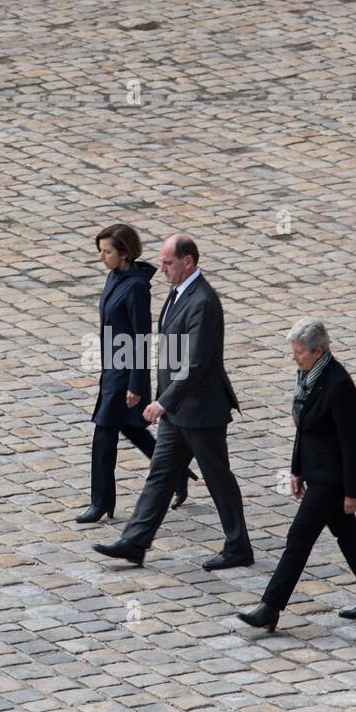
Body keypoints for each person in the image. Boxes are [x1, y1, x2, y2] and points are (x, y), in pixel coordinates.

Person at [93, 234, 254, 570]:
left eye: (167, 263)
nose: (161, 269)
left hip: (201, 411)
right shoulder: (178, 293)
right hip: (177, 411)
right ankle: (135, 542)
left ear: (188, 262)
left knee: (218, 478)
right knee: (160, 476)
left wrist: (162, 403)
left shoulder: (203, 302)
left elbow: (194, 364)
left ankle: (238, 546)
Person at [238, 319, 356, 632]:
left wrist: (352, 492)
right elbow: (304, 429)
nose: (294, 357)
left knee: (298, 539)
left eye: (299, 352)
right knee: (347, 534)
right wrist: (296, 469)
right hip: (315, 471)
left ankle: (271, 607)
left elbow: (352, 442)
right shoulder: (307, 376)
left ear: (318, 351)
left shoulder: (338, 385)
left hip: (332, 478)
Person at [79, 223, 192, 523]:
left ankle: (101, 501)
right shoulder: (113, 277)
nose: (102, 257)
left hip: (124, 374)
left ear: (125, 254)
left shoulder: (137, 288)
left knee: (104, 435)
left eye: (107, 252)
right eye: (100, 251)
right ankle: (177, 472)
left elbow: (141, 338)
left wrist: (135, 384)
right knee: (132, 429)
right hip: (111, 369)